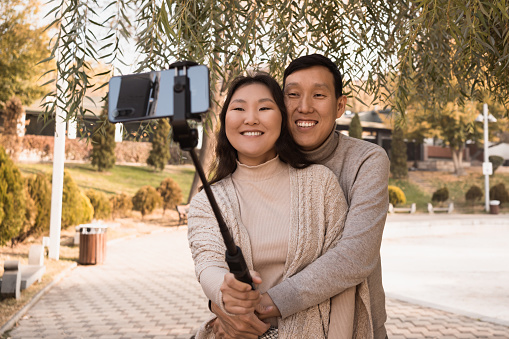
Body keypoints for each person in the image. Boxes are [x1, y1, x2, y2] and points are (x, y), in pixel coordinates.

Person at [210, 54, 390, 339]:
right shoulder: (261, 162)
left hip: (351, 324)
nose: (304, 107)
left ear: (340, 105)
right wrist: (224, 302)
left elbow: (356, 256)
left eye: (318, 95)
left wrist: (266, 304)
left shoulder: (366, 160)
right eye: (292, 95)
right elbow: (217, 254)